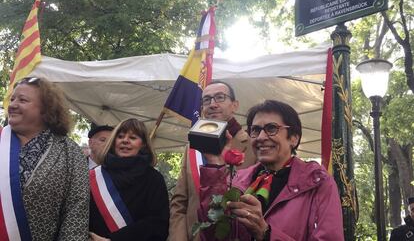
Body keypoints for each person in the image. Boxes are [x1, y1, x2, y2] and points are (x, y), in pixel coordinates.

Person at [198, 99, 344, 241]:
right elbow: (212, 235)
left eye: (271, 128)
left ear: (293, 138)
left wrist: (266, 234)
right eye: (255, 130)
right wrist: (214, 163)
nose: (261, 137)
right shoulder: (238, 180)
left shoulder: (316, 182)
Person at [0, 77, 89, 240]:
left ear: (46, 108)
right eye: (12, 99)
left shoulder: (70, 152)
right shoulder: (1, 140)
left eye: (23, 100)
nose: (12, 105)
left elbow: (76, 212)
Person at [169, 81, 256, 241]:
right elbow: (180, 203)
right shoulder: (192, 147)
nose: (212, 104)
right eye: (207, 100)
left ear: (234, 105)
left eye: (220, 97)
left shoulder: (252, 145)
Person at [89, 118, 169, 241]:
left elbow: (157, 223)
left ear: (142, 144)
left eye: (132, 138)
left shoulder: (154, 179)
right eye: (120, 136)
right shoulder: (95, 175)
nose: (125, 141)